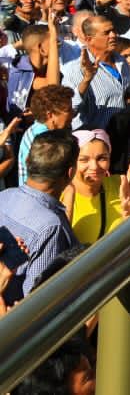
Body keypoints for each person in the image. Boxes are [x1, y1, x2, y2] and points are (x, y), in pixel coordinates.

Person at [0, 129, 79, 305]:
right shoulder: (51, 227)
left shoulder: (4, 196)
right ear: (70, 172)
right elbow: (37, 303)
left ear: (29, 161)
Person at [66, 128, 130, 245]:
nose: (94, 166)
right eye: (84, 160)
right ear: (71, 162)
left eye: (102, 158)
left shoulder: (121, 184)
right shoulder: (60, 195)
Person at [58, 15, 130, 130]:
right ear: (89, 39)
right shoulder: (76, 69)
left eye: (113, 31)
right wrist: (87, 79)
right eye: (106, 33)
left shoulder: (122, 62)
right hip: (94, 141)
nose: (113, 35)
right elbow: (68, 107)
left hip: (123, 136)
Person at [15, 86, 74, 189]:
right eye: (68, 110)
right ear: (50, 115)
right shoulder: (45, 141)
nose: (73, 114)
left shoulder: (36, 130)